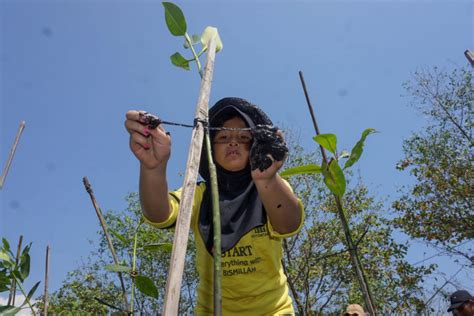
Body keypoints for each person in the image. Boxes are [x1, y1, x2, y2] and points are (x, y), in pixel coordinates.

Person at [125, 97, 304, 315]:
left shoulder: (269, 187)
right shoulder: (198, 194)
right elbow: (160, 214)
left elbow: (289, 224)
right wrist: (154, 167)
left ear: (256, 145)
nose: (233, 142)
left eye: (244, 137)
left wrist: (266, 179)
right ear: (208, 147)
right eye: (223, 136)